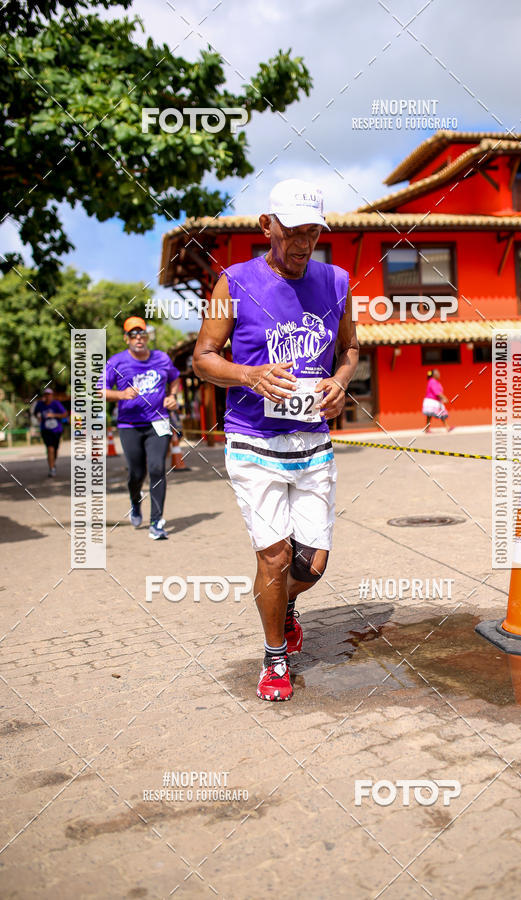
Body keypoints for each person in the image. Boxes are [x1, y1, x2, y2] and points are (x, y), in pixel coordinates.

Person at [193, 178, 359, 702]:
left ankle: (285, 606)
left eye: (313, 231)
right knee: (274, 556)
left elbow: (351, 349)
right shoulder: (234, 282)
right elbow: (203, 358)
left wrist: (340, 382)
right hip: (252, 442)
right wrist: (250, 376)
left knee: (311, 564)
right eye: (292, 231)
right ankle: (274, 658)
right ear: (268, 226)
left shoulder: (336, 281)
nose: (303, 243)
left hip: (313, 444)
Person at [101, 317, 180, 539]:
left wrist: (173, 396)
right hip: (129, 425)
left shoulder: (162, 358)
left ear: (147, 337)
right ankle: (135, 503)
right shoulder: (116, 362)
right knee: (136, 473)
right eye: (133, 335)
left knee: (156, 469)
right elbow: (101, 390)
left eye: (142, 334)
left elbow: (175, 378)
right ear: (126, 339)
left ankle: (156, 523)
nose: (138, 338)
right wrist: (121, 394)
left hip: (158, 422)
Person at [34, 387, 67, 476]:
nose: (47, 396)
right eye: (46, 395)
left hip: (57, 430)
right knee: (50, 449)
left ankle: (53, 463)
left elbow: (65, 414)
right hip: (46, 430)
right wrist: (38, 417)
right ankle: (52, 469)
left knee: (55, 450)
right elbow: (35, 413)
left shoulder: (56, 404)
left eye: (49, 395)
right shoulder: (40, 404)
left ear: (52, 396)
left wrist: (54, 415)